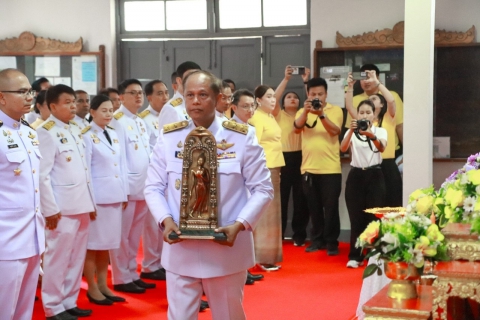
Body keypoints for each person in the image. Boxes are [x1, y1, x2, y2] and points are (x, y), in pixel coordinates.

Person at [144, 70, 273, 320]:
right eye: (189, 95)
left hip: (225, 248)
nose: (195, 101)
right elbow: (153, 187)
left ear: (218, 98)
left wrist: (240, 225)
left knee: (228, 315)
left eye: (203, 95)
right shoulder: (170, 137)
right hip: (181, 246)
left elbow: (263, 188)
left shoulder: (241, 136)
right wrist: (165, 219)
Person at [38, 84, 96, 320]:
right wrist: (50, 210)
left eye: (74, 101)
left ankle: (69, 301)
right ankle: (52, 306)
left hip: (81, 204)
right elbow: (42, 176)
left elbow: (84, 169)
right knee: (57, 258)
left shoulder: (75, 129)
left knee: (76, 258)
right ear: (52, 106)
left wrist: (90, 204)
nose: (73, 106)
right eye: (67, 102)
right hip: (61, 210)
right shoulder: (46, 132)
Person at [0, 68, 45, 320]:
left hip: (31, 236)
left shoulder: (28, 131)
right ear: (1, 97)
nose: (29, 96)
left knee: (23, 311)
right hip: (5, 242)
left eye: (30, 91)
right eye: (21, 91)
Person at [82, 95, 129, 306]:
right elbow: (86, 172)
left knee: (107, 245)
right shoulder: (86, 135)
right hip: (98, 199)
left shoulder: (113, 133)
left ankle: (103, 284)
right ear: (92, 112)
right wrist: (89, 201)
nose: (109, 114)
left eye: (111, 110)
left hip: (114, 197)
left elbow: (122, 165)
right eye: (104, 110)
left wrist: (124, 192)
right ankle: (91, 287)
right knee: (93, 245)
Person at [109, 79, 154, 294]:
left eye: (140, 93)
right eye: (133, 93)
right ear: (121, 97)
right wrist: (123, 190)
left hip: (143, 186)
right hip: (127, 188)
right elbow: (118, 159)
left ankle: (131, 273)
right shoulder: (116, 120)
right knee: (122, 235)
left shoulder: (139, 121)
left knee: (134, 235)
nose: (138, 97)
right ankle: (120, 277)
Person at [293, 77, 343, 256]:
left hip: (331, 169)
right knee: (313, 208)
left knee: (330, 208)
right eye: (313, 94)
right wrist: (306, 112)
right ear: (308, 94)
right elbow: (296, 128)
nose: (317, 97)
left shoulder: (335, 110)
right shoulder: (302, 111)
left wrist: (321, 113)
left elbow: (335, 130)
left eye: (320, 94)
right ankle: (317, 240)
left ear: (326, 94)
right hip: (308, 168)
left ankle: (331, 242)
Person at [345, 64, 403, 207]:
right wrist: (350, 86)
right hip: (371, 166)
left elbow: (391, 100)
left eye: (376, 98)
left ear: (382, 104)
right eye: (370, 98)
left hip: (388, 164)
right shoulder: (362, 120)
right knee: (372, 205)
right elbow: (349, 106)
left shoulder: (389, 118)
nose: (371, 99)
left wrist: (377, 83)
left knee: (392, 203)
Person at [340, 99, 387, 268]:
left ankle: (374, 256)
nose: (365, 115)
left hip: (375, 174)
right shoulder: (351, 131)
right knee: (356, 217)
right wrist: (352, 132)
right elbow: (343, 148)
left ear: (374, 115)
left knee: (374, 218)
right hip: (356, 176)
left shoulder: (380, 131)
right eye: (361, 112)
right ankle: (355, 256)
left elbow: (381, 148)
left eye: (368, 112)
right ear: (357, 115)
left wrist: (370, 134)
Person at [249, 85, 285, 271]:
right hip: (265, 168)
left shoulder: (269, 116)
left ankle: (269, 256)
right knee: (266, 214)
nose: (273, 100)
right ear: (258, 100)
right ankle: (262, 257)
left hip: (275, 166)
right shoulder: (256, 117)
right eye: (268, 96)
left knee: (273, 213)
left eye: (274, 96)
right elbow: (254, 147)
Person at [273, 66, 309, 246]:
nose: (292, 99)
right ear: (283, 102)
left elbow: (311, 99)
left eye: (295, 97)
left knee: (300, 199)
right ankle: (278, 236)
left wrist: (305, 81)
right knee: (282, 199)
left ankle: (299, 235)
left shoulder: (304, 113)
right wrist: (286, 79)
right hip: (283, 159)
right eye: (289, 97)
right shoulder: (277, 115)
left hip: (302, 158)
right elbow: (274, 99)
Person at [138, 79, 169, 282]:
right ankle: (150, 264)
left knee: (167, 222)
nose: (165, 97)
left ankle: (161, 262)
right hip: (154, 176)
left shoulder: (172, 115)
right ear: (149, 97)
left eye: (166, 92)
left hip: (169, 176)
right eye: (160, 93)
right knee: (152, 224)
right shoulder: (144, 119)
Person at [158, 61, 201, 127]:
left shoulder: (201, 104)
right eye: (190, 77)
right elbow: (169, 137)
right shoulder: (171, 109)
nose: (195, 81)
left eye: (197, 77)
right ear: (179, 81)